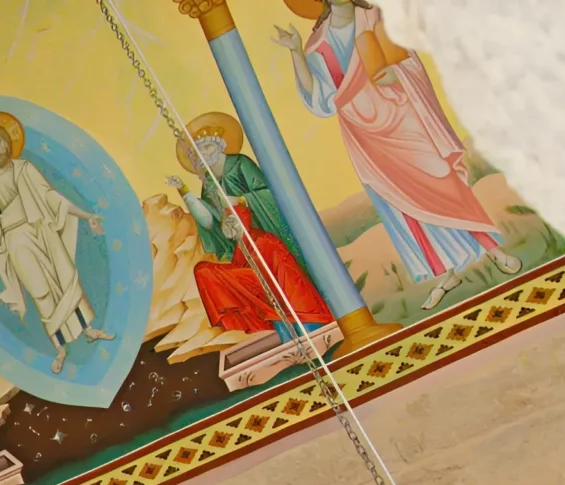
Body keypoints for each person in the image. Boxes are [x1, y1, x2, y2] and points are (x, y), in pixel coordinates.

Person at [274, 1, 516, 313]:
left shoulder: (375, 15)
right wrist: (295, 52)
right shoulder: (319, 44)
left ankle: (493, 249)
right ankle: (444, 273)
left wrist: (396, 71)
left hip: (403, 116)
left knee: (443, 182)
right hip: (366, 134)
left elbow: (407, 57)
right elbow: (323, 102)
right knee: (401, 204)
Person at [164, 118, 336, 343]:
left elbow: (269, 192)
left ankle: (308, 329)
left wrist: (241, 201)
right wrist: (183, 190)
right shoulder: (209, 183)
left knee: (281, 277)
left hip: (265, 237)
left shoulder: (240, 164)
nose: (202, 155)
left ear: (219, 145)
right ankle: (282, 332)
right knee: (206, 272)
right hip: (243, 250)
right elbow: (208, 221)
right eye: (197, 152)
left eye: (206, 147)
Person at [0, 112, 113, 375]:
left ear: (7, 143)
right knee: (41, 291)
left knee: (66, 277)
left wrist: (86, 215)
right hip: (16, 241)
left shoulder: (24, 168)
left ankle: (88, 330)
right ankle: (61, 348)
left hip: (41, 228)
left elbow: (50, 197)